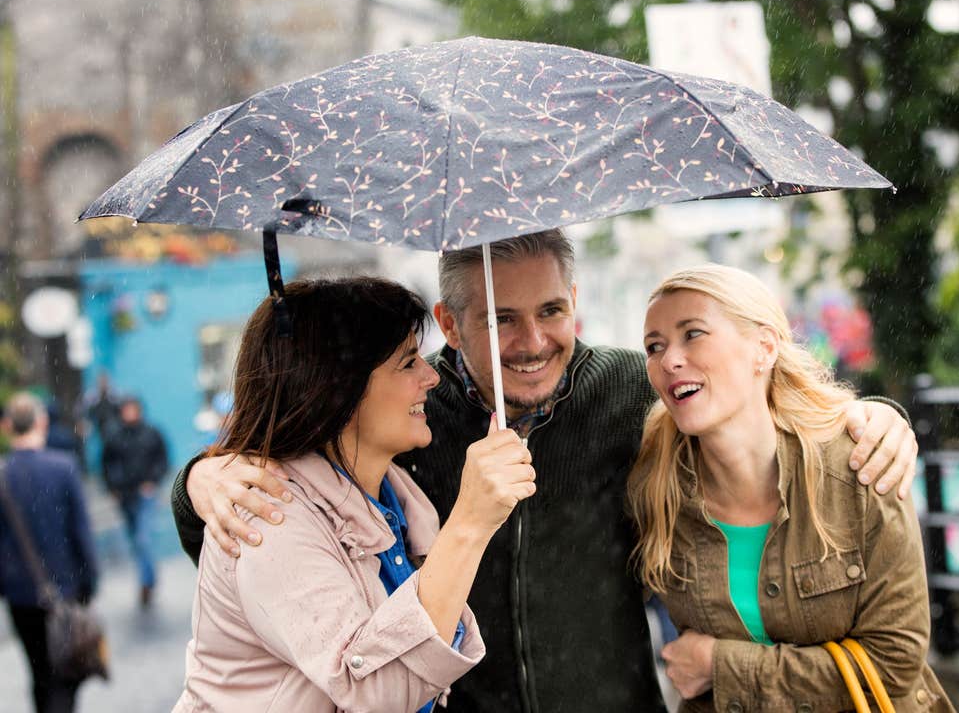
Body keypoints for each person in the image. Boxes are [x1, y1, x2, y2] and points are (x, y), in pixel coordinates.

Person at [171, 230, 921, 712]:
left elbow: (757, 408)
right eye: (502, 319)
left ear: (579, 306)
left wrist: (876, 416)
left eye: (552, 311)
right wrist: (200, 483)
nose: (532, 341)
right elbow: (260, 526)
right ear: (449, 324)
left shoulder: (638, 391)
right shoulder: (403, 415)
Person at [174, 277, 534, 712]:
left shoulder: (395, 500)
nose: (432, 377)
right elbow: (376, 690)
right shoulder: (270, 513)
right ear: (338, 389)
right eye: (408, 363)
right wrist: (471, 522)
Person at [629, 265, 954, 712]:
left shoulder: (859, 466)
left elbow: (894, 663)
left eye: (693, 334)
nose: (669, 360)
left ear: (763, 348)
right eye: (654, 346)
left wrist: (722, 667)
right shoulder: (654, 492)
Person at [0, 392, 99, 713]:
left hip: (19, 594)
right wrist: (89, 582)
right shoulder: (63, 468)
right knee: (65, 674)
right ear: (41, 422)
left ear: (7, 427)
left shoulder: (4, 475)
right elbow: (81, 532)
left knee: (38, 672)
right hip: (64, 588)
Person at [100, 396, 169, 607]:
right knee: (135, 540)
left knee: (143, 538)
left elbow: (163, 459)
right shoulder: (115, 435)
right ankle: (146, 574)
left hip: (145, 494)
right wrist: (112, 487)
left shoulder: (151, 433)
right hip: (125, 495)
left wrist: (153, 481)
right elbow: (105, 463)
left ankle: (147, 580)